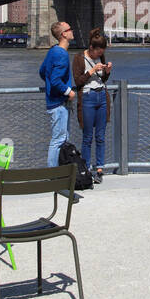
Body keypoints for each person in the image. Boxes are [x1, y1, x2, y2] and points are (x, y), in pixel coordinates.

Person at [72, 28, 113, 183]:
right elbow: (78, 81)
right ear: (91, 48)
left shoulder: (100, 56)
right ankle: (86, 168)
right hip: (88, 98)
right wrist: (92, 70)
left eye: (101, 52)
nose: (99, 55)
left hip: (102, 96)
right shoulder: (78, 58)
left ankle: (100, 169)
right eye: (97, 52)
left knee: (101, 136)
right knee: (88, 137)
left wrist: (107, 71)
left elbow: (103, 79)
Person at [38, 21, 75, 167]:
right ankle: (53, 175)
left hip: (52, 102)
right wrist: (69, 92)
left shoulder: (53, 51)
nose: (72, 31)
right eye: (69, 29)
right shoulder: (61, 54)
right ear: (64, 34)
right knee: (58, 140)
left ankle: (59, 171)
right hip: (59, 104)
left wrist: (49, 84)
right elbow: (55, 79)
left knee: (61, 138)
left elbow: (42, 72)